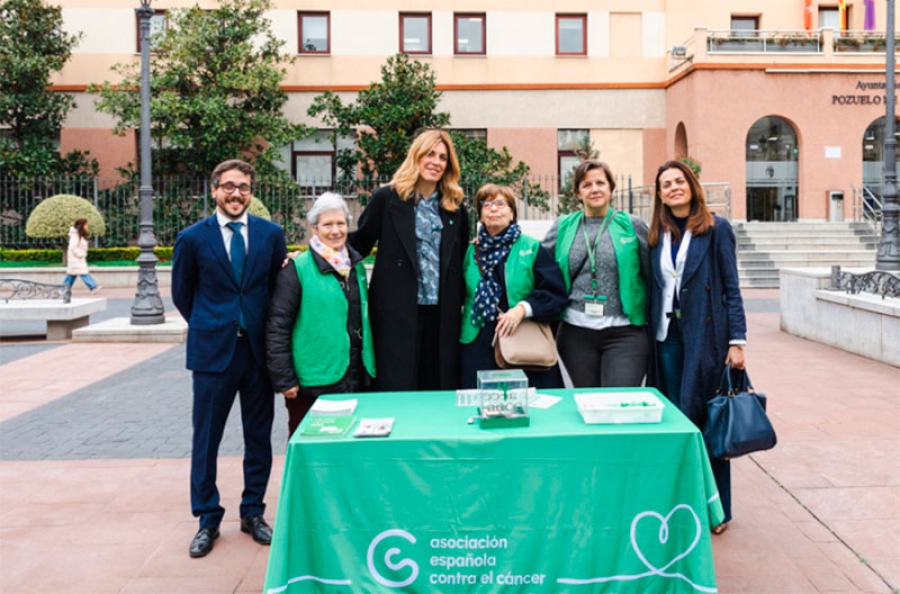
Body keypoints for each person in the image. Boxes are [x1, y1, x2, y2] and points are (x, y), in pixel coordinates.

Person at [172, 159, 288, 558]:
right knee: (206, 440)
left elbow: (276, 288)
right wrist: (212, 323)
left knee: (259, 436)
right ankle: (207, 518)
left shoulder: (272, 235)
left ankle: (253, 511)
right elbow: (182, 294)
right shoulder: (192, 238)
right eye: (228, 187)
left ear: (251, 192)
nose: (236, 193)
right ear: (214, 190)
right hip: (212, 354)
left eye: (243, 187)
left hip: (257, 353)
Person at [646, 159, 747, 535]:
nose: (673, 187)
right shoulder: (658, 234)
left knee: (707, 420)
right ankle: (683, 504)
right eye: (665, 184)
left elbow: (732, 288)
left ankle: (718, 509)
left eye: (679, 181)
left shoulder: (716, 228)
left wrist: (737, 341)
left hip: (706, 338)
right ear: (658, 195)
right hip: (667, 337)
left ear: (691, 184)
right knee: (676, 418)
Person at [349, 129, 469, 391]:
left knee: (437, 386)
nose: (436, 162)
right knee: (397, 384)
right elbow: (357, 244)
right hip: (397, 312)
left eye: (442, 157)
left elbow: (459, 261)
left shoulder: (455, 207)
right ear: (416, 156)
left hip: (442, 314)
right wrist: (312, 255)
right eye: (430, 154)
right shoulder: (387, 198)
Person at [266, 193, 375, 437]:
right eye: (327, 224)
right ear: (314, 228)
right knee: (312, 444)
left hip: (356, 374)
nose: (335, 231)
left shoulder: (355, 267)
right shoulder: (297, 268)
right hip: (314, 379)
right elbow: (278, 325)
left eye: (341, 224)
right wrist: (285, 379)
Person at [541, 160, 649, 388]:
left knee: (617, 403)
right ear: (577, 192)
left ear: (611, 188)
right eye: (587, 184)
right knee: (588, 403)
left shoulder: (631, 225)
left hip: (625, 333)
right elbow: (536, 262)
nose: (595, 189)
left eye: (601, 183)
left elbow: (653, 271)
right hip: (575, 334)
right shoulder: (563, 226)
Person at [459, 184, 567, 388]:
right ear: (480, 214)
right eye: (486, 204)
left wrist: (522, 309)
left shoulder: (531, 248)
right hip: (477, 342)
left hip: (521, 338)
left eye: (501, 203)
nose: (493, 208)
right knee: (480, 403)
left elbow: (555, 294)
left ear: (512, 212)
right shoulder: (470, 251)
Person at [64, 218, 101, 293]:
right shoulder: (75, 235)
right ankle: (93, 287)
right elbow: (72, 247)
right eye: (86, 225)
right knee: (83, 272)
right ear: (81, 226)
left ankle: (64, 289)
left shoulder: (79, 234)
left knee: (72, 275)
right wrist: (80, 254)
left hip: (76, 259)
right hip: (76, 259)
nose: (87, 226)